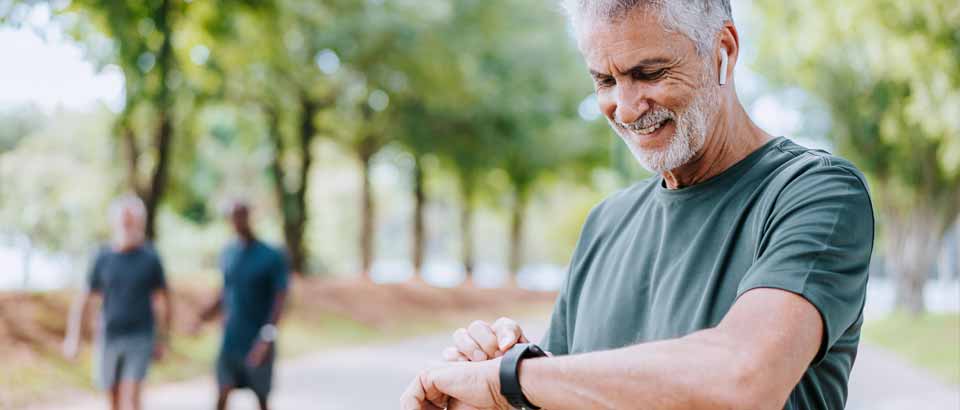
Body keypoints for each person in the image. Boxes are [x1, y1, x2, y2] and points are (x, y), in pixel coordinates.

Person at [401, 1, 874, 409]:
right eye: (605, 80)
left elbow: (742, 379)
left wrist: (513, 379)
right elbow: (569, 395)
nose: (626, 108)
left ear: (723, 51)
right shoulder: (606, 222)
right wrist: (492, 394)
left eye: (648, 74)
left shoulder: (817, 193)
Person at [63, 194, 172, 410]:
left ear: (140, 222)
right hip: (109, 336)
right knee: (112, 399)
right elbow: (84, 298)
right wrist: (73, 336)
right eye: (123, 219)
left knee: (131, 397)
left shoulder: (150, 258)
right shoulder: (102, 257)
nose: (127, 223)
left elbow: (163, 301)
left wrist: (162, 339)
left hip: (140, 336)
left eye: (132, 219)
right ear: (115, 222)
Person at [194, 201, 289, 410]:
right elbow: (226, 292)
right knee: (222, 392)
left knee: (261, 397)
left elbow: (281, 297)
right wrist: (203, 316)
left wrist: (267, 335)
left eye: (241, 216)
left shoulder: (271, 256)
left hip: (258, 338)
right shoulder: (228, 253)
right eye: (233, 217)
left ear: (249, 217)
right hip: (231, 339)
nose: (237, 221)